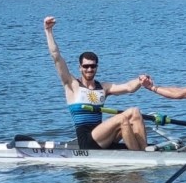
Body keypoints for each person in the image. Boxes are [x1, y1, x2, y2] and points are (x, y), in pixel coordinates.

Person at [43, 16, 147, 150]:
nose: (89, 69)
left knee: (135, 112)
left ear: (96, 67)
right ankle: (138, 157)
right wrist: (48, 31)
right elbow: (56, 56)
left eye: (92, 66)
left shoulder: (103, 87)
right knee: (121, 119)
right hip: (86, 141)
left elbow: (128, 88)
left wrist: (140, 80)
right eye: (86, 66)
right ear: (80, 67)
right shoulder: (71, 84)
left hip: (102, 136)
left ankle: (145, 150)